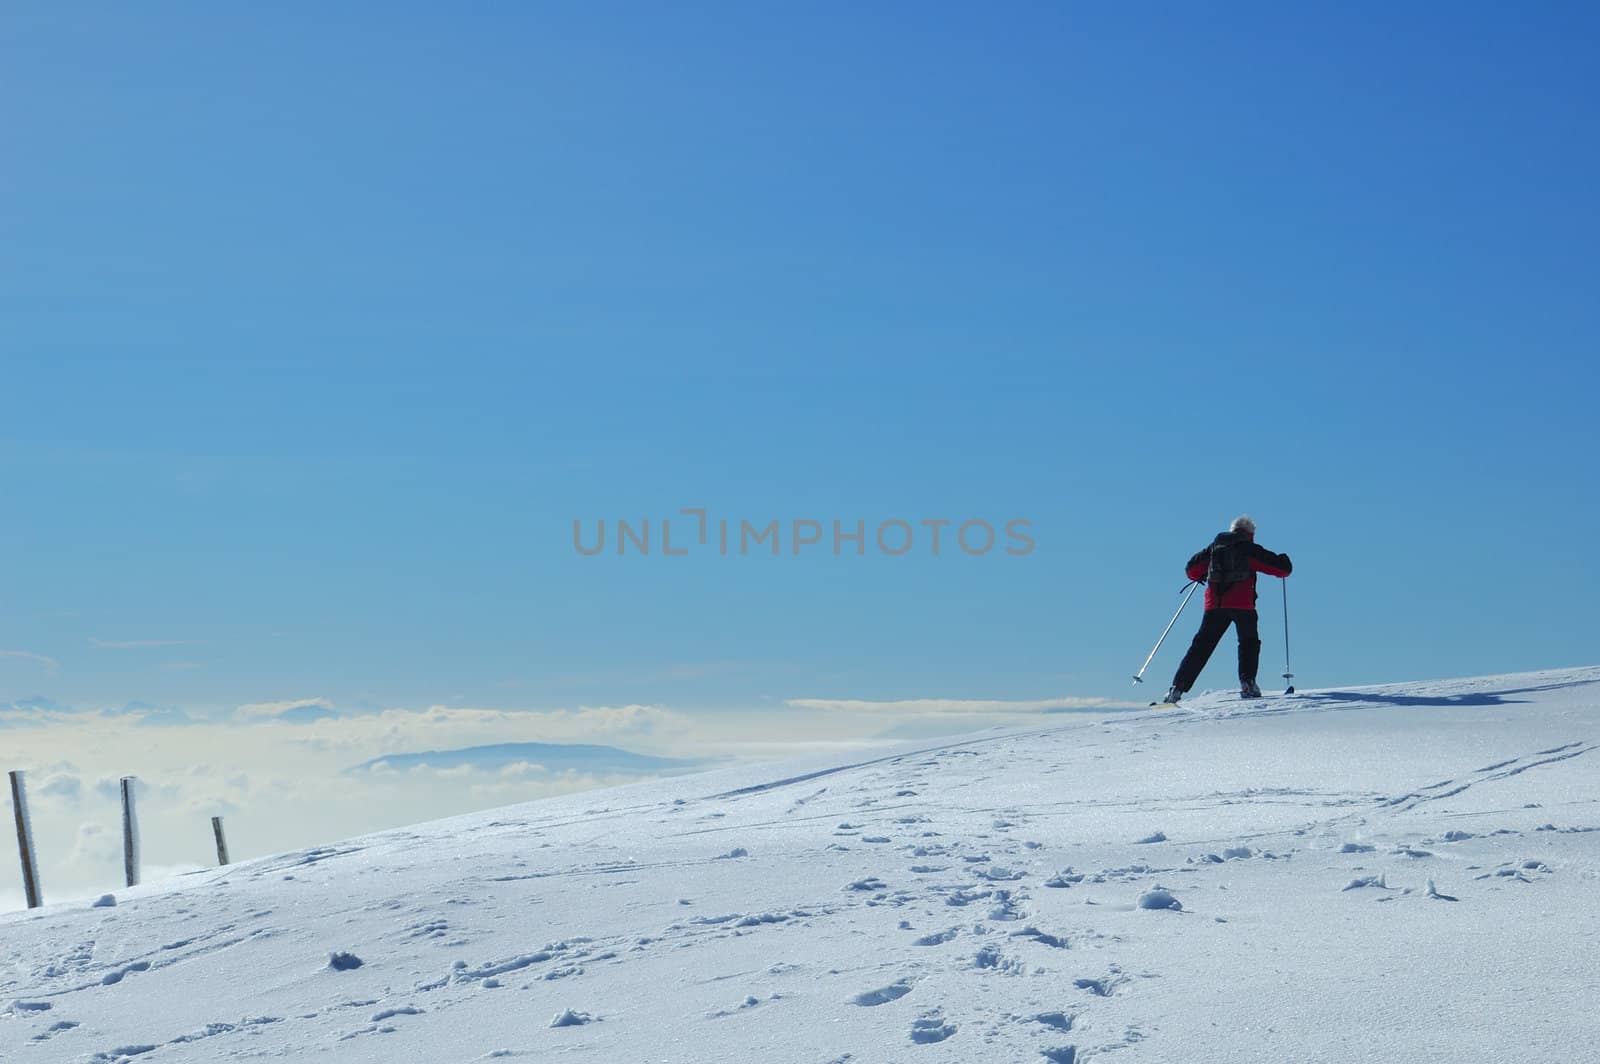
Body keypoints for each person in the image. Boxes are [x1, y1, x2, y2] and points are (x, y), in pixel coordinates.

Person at [1163, 515, 1292, 703]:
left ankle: (1177, 688)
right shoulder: (1249, 549)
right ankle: (1248, 683)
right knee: (1249, 642)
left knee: (1201, 646)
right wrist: (1284, 560)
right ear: (1250, 534)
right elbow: (1282, 570)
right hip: (1243, 603)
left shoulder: (1214, 548)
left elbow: (1191, 570)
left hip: (1214, 605)